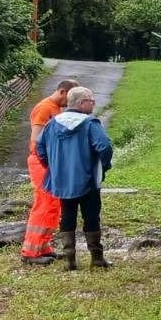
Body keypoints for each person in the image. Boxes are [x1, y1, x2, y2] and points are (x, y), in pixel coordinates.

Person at [36, 86, 114, 271]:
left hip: (62, 180)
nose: (93, 103)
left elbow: (40, 148)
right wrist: (104, 166)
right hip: (88, 179)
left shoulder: (53, 124)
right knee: (92, 216)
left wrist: (53, 168)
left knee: (67, 215)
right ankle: (97, 258)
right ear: (80, 103)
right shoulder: (90, 123)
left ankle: (70, 259)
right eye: (90, 100)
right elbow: (105, 147)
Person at [20, 78, 80, 265]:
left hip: (48, 163)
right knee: (44, 204)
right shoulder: (45, 108)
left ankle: (43, 246)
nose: (69, 104)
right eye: (68, 98)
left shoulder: (56, 109)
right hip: (41, 163)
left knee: (53, 204)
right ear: (62, 92)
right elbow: (36, 140)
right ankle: (30, 252)